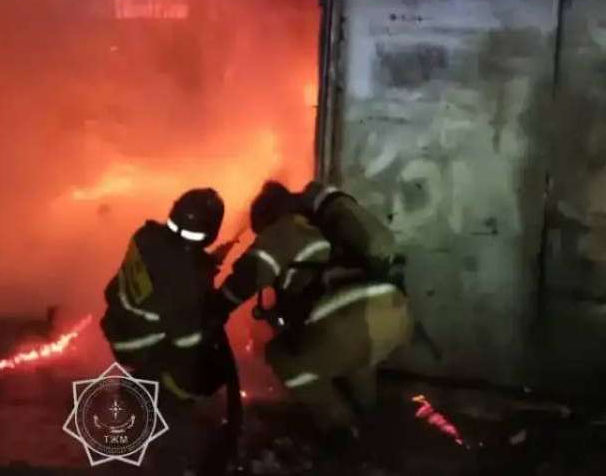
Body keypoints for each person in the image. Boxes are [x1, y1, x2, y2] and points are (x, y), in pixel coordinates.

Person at [209, 180, 412, 445]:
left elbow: (249, 275)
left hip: (351, 322)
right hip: (395, 317)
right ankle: (371, 420)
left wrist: (215, 307)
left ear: (270, 217)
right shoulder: (328, 228)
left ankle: (340, 429)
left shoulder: (287, 230)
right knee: (357, 356)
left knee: (282, 356)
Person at [99, 187, 235, 401]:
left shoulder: (146, 235)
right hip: (140, 346)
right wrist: (214, 316)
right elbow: (187, 338)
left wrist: (205, 262)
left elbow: (167, 263)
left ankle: (146, 379)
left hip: (119, 329)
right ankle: (157, 392)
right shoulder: (189, 278)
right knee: (210, 371)